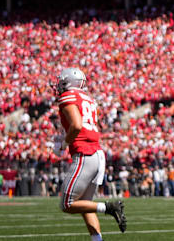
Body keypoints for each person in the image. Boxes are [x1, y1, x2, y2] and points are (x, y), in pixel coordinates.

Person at [54, 68, 126, 239]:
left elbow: (77, 125)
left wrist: (64, 144)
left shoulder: (68, 97)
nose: (59, 85)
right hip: (97, 153)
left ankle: (109, 207)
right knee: (85, 205)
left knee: (67, 204)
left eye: (61, 82)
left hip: (85, 152)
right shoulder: (88, 99)